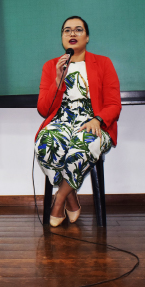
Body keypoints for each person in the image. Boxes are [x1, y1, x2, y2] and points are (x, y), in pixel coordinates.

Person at [35, 16, 121, 226]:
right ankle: (71, 197)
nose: (72, 34)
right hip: (61, 121)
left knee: (81, 147)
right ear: (62, 37)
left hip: (94, 122)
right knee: (45, 145)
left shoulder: (103, 63)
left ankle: (60, 199)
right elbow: (43, 109)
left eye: (78, 30)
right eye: (67, 30)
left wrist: (98, 119)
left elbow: (114, 104)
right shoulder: (51, 66)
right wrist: (57, 80)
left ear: (87, 37)